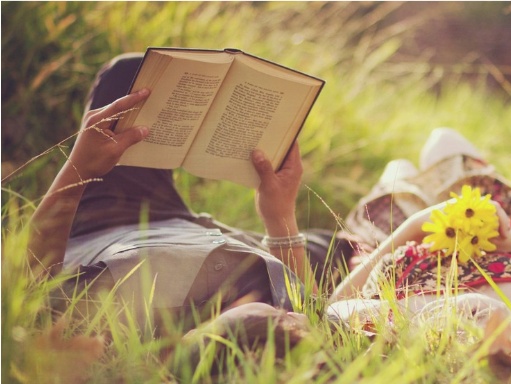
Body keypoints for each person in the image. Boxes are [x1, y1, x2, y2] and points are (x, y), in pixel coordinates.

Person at [27, 53, 351, 338]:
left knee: (130, 75)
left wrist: (78, 169)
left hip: (106, 223)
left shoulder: (118, 308)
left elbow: (33, 284)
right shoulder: (287, 304)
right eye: (290, 321)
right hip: (214, 233)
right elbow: (302, 300)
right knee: (342, 247)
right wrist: (279, 216)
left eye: (282, 322)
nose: (291, 318)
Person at [328, 129, 511, 331]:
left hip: (398, 237)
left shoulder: (405, 314)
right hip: (504, 235)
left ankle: (428, 187)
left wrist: (415, 224)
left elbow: (332, 307)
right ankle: (469, 176)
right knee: (444, 141)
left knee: (396, 171)